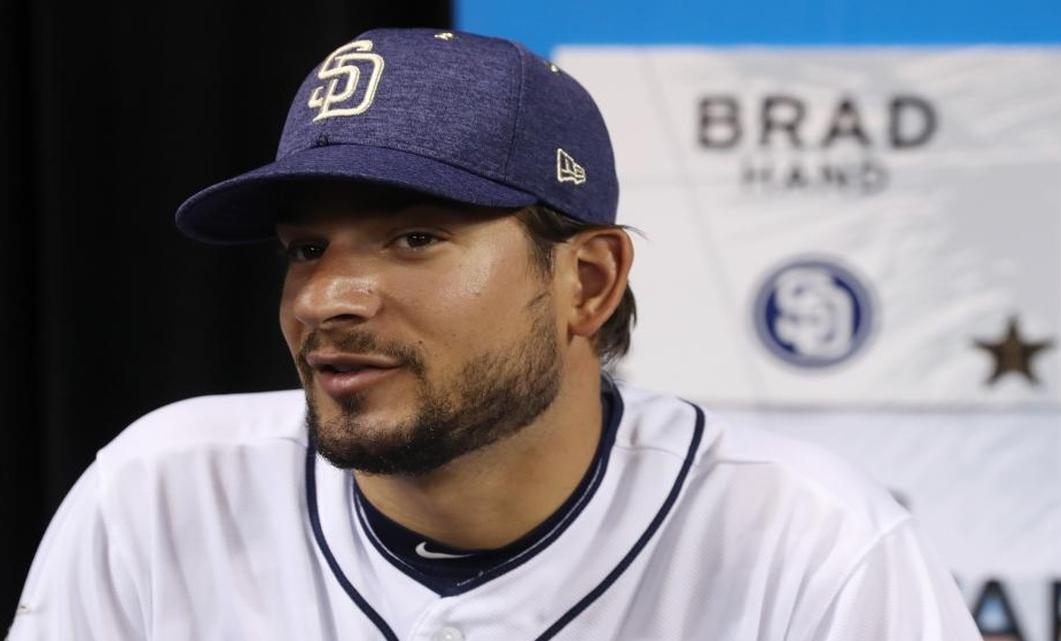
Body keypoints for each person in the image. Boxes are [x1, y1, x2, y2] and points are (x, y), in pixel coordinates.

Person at [10, 28, 982, 640]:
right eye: (306, 248)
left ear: (587, 282)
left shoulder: (811, 544)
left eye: (415, 238)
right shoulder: (162, 494)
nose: (327, 297)